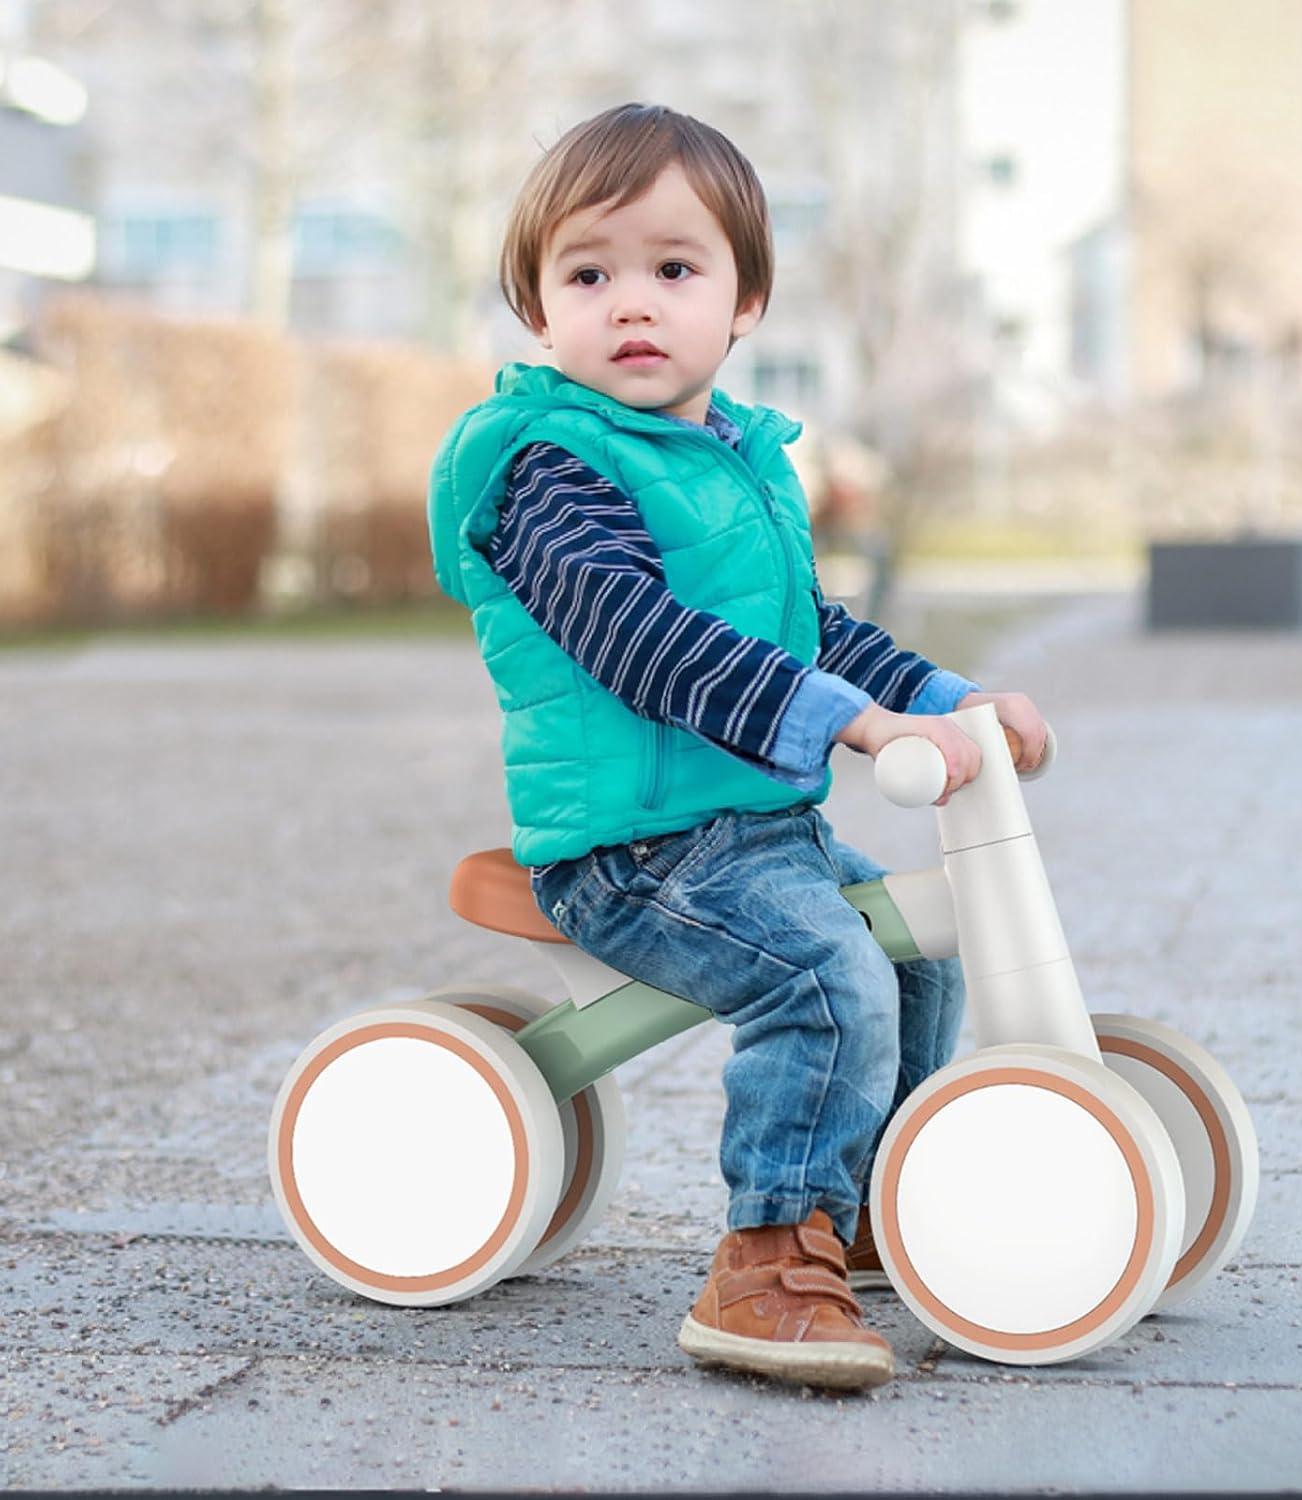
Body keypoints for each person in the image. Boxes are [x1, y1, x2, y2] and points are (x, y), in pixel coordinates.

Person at [427, 102, 1047, 1391]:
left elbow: (812, 632)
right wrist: (852, 725)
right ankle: (766, 1263)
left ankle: (862, 1214)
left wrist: (951, 702)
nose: (631, 303)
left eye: (674, 268)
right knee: (825, 975)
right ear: (538, 311)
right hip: (632, 851)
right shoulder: (547, 471)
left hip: (749, 834)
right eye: (586, 276)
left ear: (745, 302)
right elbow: (646, 642)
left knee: (920, 955)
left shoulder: (736, 463)